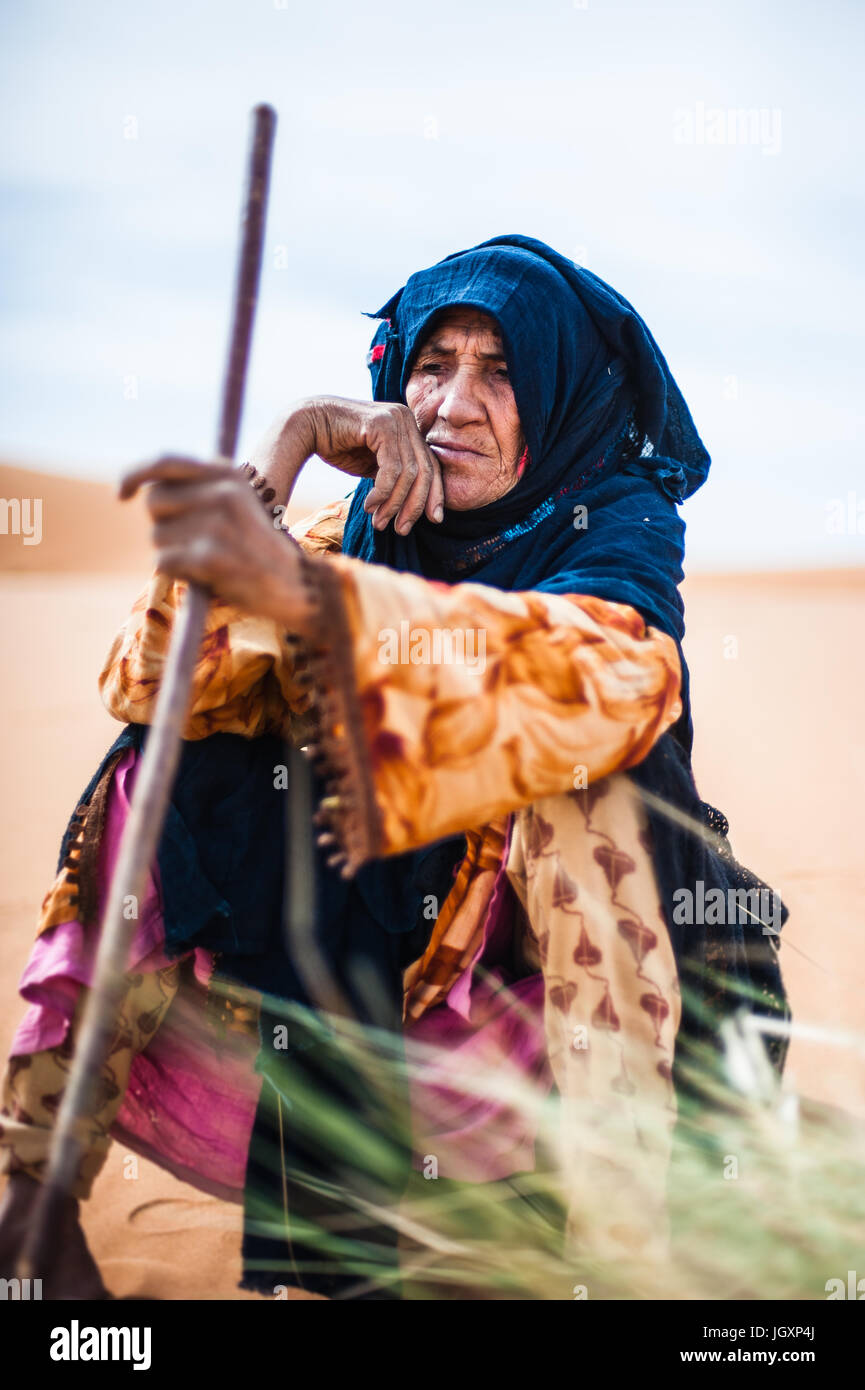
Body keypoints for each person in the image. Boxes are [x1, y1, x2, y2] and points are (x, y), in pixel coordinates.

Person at [0, 234, 789, 1300]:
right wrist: (288, 446)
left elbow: (608, 683)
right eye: (432, 363)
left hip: (553, 1017)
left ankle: (615, 1256)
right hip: (382, 990)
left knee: (595, 792)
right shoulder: (363, 526)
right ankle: (36, 1204)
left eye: (501, 371)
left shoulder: (616, 536)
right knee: (160, 770)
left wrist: (319, 611)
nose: (453, 404)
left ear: (559, 399)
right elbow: (152, 681)